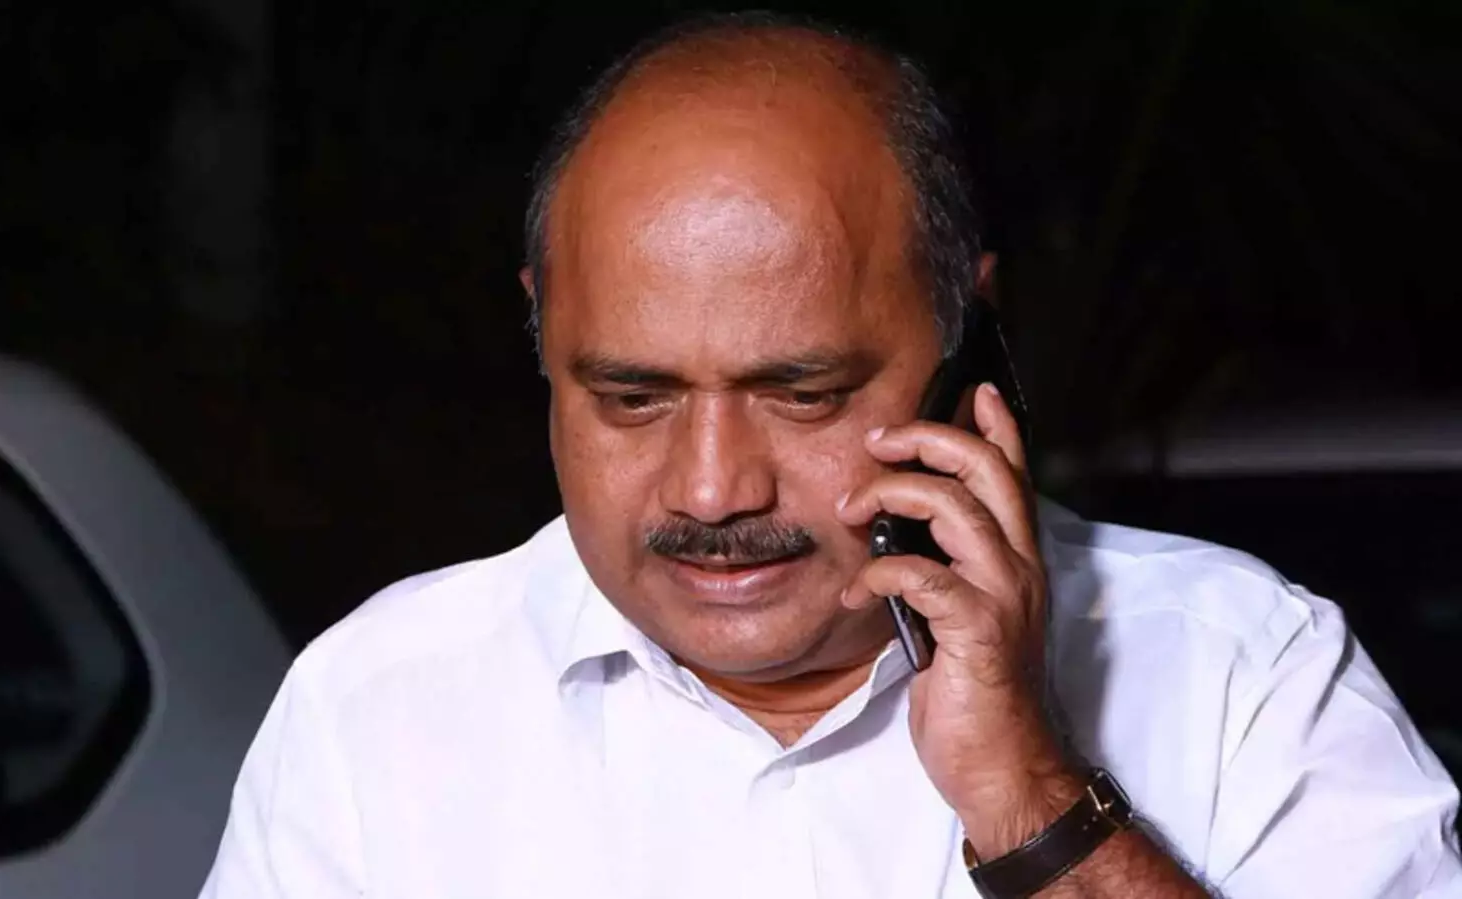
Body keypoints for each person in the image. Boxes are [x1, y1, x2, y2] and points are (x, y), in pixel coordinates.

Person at [197, 11, 1462, 899]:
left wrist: (1030, 795)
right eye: (632, 398)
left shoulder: (1249, 679)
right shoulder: (378, 707)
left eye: (801, 394)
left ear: (969, 341)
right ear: (542, 335)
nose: (712, 488)